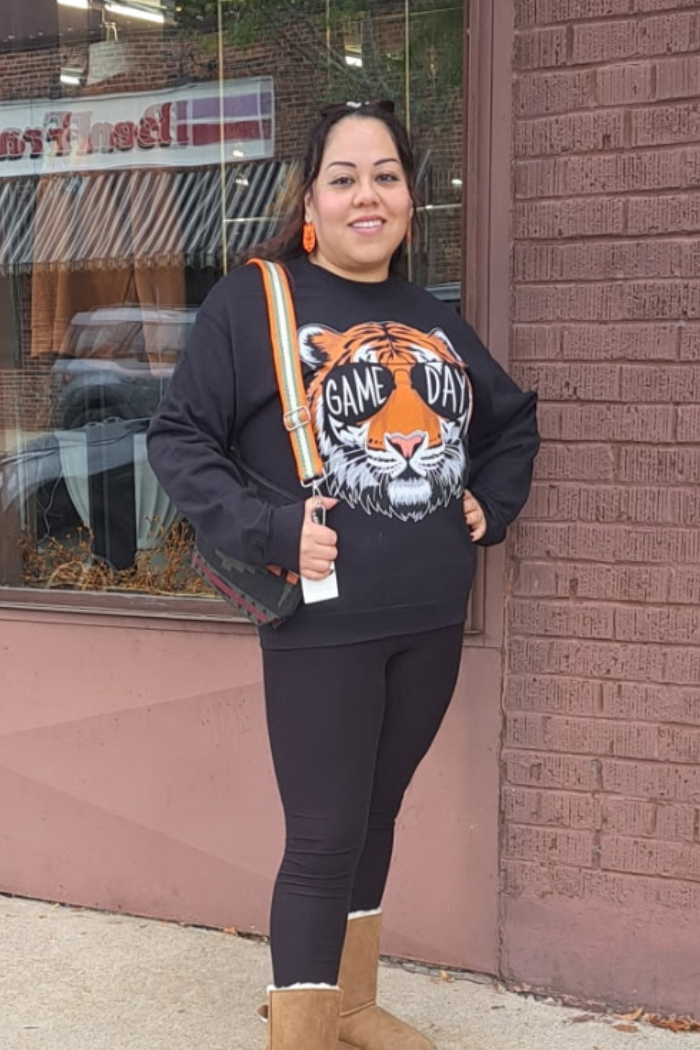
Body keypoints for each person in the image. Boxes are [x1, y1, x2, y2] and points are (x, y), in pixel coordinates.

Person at [147, 99, 539, 1050]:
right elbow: (178, 440)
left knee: (376, 815)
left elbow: (512, 420)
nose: (369, 194)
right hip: (324, 625)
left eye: (387, 176)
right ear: (311, 200)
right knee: (324, 839)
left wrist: (492, 499)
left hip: (432, 614)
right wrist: (275, 527)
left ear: (411, 199)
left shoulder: (428, 315)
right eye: (345, 176)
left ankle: (350, 1007)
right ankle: (302, 1032)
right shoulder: (254, 300)